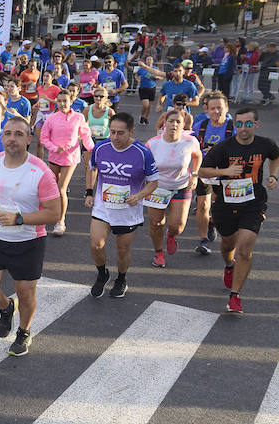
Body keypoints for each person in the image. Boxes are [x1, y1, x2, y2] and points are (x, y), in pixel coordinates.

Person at [0, 115, 63, 357]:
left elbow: (54, 212)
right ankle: (6, 306)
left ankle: (23, 331)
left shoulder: (40, 172)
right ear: (2, 137)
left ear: (29, 139)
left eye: (19, 134)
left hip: (28, 242)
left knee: (26, 292)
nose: (12, 139)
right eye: (8, 134)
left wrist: (20, 218)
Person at [197, 106, 279, 314]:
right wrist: (225, 171)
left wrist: (274, 175)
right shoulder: (224, 148)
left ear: (256, 124)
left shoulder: (265, 144)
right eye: (240, 124)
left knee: (244, 248)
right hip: (226, 203)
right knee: (228, 245)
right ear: (235, 125)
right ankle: (229, 265)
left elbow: (276, 156)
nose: (243, 128)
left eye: (248, 124)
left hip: (254, 202)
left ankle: (235, 296)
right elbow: (201, 171)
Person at [85, 112, 159, 299]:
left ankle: (121, 279)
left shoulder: (143, 153)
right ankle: (102, 274)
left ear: (131, 131)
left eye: (120, 133)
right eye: (112, 132)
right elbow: (92, 169)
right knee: (96, 245)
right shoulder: (101, 147)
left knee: (122, 250)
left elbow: (153, 182)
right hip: (103, 207)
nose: (115, 137)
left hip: (128, 211)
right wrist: (89, 192)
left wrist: (139, 195)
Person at [144, 109, 202, 267]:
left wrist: (195, 174)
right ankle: (158, 253)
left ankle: (171, 235)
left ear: (183, 125)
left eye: (178, 122)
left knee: (177, 226)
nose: (174, 124)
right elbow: (142, 164)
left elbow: (197, 155)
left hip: (181, 186)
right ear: (164, 123)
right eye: (171, 121)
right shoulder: (153, 143)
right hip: (157, 188)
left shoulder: (190, 141)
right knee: (156, 223)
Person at [38, 89, 93, 237]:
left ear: (71, 101)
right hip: (54, 157)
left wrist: (92, 148)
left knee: (61, 189)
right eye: (60, 101)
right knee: (52, 188)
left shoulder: (79, 117)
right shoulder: (51, 118)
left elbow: (85, 135)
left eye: (65, 101)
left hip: (70, 158)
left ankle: (60, 221)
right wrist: (55, 148)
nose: (62, 104)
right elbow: (43, 138)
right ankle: (51, 212)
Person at [191, 92, 233, 255]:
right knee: (203, 204)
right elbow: (190, 147)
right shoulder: (200, 126)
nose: (216, 111)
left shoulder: (232, 128)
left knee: (217, 206)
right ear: (207, 110)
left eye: (219, 108)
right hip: (205, 171)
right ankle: (203, 240)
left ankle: (211, 222)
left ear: (226, 108)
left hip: (224, 172)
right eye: (212, 108)